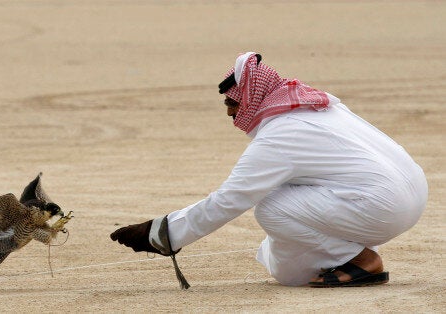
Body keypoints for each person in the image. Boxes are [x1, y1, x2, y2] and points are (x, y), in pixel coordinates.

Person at [110, 52, 428, 288]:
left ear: (252, 97)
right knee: (288, 271)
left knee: (271, 208)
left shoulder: (280, 133)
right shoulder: (316, 107)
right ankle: (348, 258)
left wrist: (162, 234)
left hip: (383, 205)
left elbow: (232, 197)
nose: (230, 113)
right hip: (409, 193)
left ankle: (363, 261)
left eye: (232, 103)